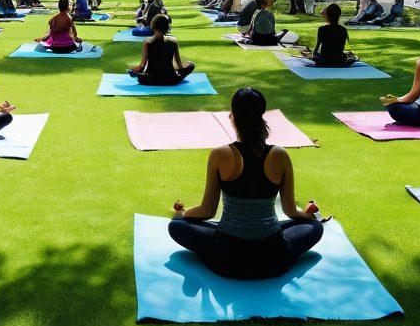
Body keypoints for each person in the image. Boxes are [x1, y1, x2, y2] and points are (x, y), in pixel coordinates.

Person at [168, 87, 324, 280]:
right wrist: (309, 215)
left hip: (226, 259)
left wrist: (183, 214)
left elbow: (207, 211)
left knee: (176, 226)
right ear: (261, 117)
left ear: (232, 117)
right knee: (316, 228)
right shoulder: (280, 155)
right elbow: (291, 211)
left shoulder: (219, 155)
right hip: (272, 259)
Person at [128, 14, 195, 85]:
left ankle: (141, 76)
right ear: (166, 27)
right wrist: (180, 71)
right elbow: (179, 64)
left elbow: (142, 65)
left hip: (152, 79)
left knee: (140, 75)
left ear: (153, 25)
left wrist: (134, 70)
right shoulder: (173, 40)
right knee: (191, 65)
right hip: (171, 79)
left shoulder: (147, 42)